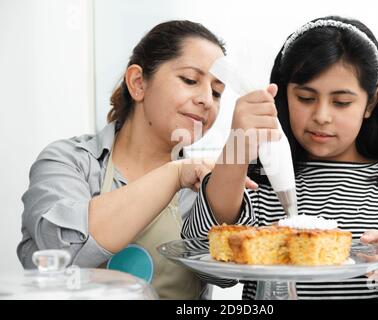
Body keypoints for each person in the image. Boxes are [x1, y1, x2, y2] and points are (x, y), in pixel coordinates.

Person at [182, 16, 378, 299]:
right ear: (284, 95)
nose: (322, 116)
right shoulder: (256, 179)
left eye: (341, 102)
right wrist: (237, 146)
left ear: (371, 102)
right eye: (306, 98)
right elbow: (207, 267)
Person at [17, 20, 257, 299]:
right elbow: (62, 252)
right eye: (190, 80)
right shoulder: (69, 162)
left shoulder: (204, 183)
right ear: (138, 83)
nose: (206, 99)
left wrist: (236, 155)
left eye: (217, 93)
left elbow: (223, 271)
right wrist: (174, 174)